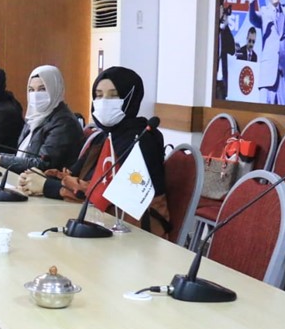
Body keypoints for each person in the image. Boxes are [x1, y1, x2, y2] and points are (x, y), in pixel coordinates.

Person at [17, 66, 171, 237]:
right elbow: (77, 175)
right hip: (101, 220)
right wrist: (41, 177)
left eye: (113, 96)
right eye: (98, 95)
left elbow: (107, 195)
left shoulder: (141, 140)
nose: (104, 101)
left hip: (138, 229)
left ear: (131, 98)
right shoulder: (102, 136)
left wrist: (47, 186)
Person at [0, 65, 84, 172]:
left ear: (55, 89)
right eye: (31, 90)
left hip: (42, 181)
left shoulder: (64, 123)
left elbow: (43, 164)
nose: (36, 95)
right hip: (22, 177)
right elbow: (22, 156)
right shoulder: (34, 118)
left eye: (42, 89)